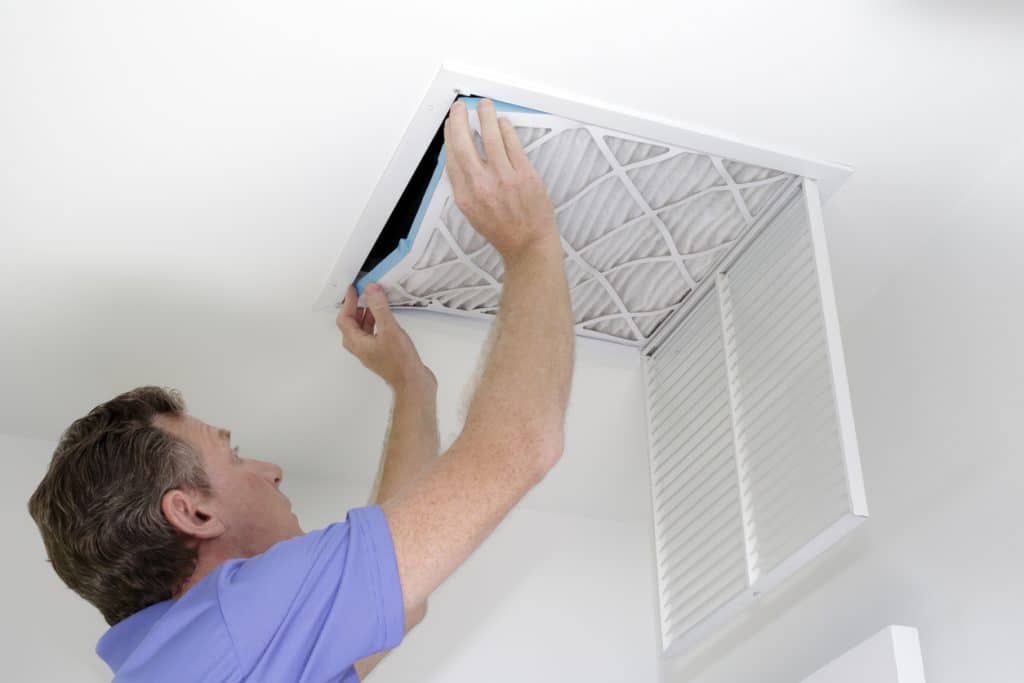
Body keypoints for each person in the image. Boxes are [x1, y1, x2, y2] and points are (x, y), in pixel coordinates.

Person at [27, 98, 575, 681]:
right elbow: (519, 445)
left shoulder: (201, 655)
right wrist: (529, 243)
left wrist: (412, 385)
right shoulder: (231, 628)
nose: (271, 471)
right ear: (192, 511)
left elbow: (398, 603)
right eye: (232, 456)